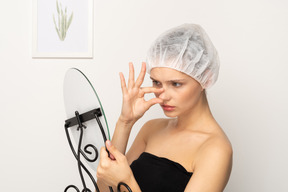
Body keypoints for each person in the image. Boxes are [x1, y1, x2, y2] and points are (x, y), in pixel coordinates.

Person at [96, 24, 233, 192]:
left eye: (176, 84)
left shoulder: (216, 149)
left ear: (205, 77)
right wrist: (125, 122)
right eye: (156, 82)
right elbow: (104, 190)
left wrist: (127, 181)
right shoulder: (151, 129)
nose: (162, 96)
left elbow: (122, 184)